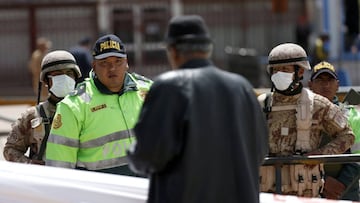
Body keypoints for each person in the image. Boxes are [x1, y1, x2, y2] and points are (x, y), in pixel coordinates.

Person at [127, 15, 268, 203]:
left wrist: (133, 151)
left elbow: (149, 155)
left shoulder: (169, 87)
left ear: (173, 51)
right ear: (208, 49)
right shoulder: (241, 87)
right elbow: (260, 151)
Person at [45, 34, 152, 176]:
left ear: (126, 63)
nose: (112, 68)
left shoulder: (150, 91)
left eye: (118, 61)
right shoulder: (74, 105)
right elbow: (59, 167)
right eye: (104, 63)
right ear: (94, 66)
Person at [258, 43, 355, 198]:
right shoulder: (261, 105)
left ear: (300, 71)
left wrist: (320, 155)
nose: (279, 74)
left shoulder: (317, 104)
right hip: (268, 193)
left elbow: (347, 135)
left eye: (285, 70)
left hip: (305, 193)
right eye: (275, 70)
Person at [4, 50, 81, 165]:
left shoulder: (86, 111)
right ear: (46, 80)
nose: (64, 78)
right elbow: (10, 150)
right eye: (58, 74)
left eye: (69, 73)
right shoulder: (33, 116)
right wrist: (29, 164)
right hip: (46, 179)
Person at [308, 61, 360, 201]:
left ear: (337, 85)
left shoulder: (352, 115)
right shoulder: (301, 115)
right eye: (319, 80)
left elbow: (357, 156)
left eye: (330, 80)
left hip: (346, 192)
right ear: (310, 85)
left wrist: (341, 184)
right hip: (310, 189)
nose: (325, 85)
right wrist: (322, 181)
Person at [28, 37, 52, 102]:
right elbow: (34, 68)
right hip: (41, 78)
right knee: (42, 95)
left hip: (43, 78)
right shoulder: (37, 55)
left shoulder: (41, 54)